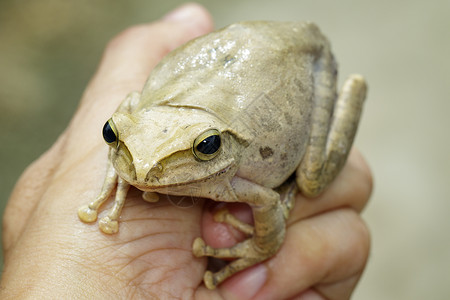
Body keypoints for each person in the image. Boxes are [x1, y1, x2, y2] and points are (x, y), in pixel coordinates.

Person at [0, 3, 372, 299]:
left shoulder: (232, 174)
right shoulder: (136, 129)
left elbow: (268, 203)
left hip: (301, 59)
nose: (145, 171)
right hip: (246, 52)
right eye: (113, 136)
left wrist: (263, 245)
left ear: (213, 145)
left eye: (204, 147)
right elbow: (131, 106)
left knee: (310, 179)